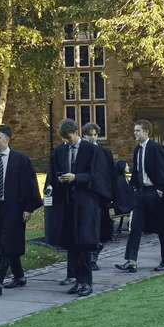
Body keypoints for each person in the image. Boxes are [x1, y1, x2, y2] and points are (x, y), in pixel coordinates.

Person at [0, 125, 42, 298]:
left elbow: (30, 185)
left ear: (7, 139)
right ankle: (19, 276)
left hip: (14, 208)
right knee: (6, 242)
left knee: (8, 241)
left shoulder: (20, 160)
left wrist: (28, 208)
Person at [44, 119, 112, 297]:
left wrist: (77, 178)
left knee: (84, 242)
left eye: (69, 138)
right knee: (71, 243)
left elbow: (99, 176)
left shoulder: (91, 150)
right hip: (67, 202)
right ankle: (77, 280)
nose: (67, 141)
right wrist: (51, 185)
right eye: (64, 139)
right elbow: (52, 173)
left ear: (76, 132)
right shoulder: (60, 151)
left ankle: (87, 282)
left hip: (86, 201)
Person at [115, 120, 164, 273]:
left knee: (162, 227)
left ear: (146, 132)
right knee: (135, 226)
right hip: (141, 193)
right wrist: (134, 188)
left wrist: (160, 190)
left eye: (138, 130)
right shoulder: (137, 149)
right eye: (134, 130)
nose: (135, 133)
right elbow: (137, 171)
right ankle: (131, 261)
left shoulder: (156, 148)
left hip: (155, 192)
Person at [81, 122, 115, 271]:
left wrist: (110, 194)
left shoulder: (104, 153)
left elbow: (110, 174)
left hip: (101, 195)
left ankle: (93, 257)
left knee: (98, 226)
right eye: (90, 135)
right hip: (85, 194)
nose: (93, 138)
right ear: (84, 136)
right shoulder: (80, 151)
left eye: (95, 135)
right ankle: (89, 256)